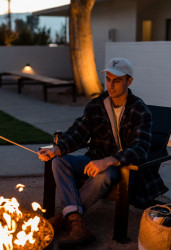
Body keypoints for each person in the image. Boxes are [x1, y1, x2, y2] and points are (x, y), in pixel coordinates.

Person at [38, 58, 156, 248]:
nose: (111, 84)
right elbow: (78, 132)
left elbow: (141, 149)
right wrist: (56, 149)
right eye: (108, 79)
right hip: (94, 159)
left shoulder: (140, 110)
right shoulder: (96, 105)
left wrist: (109, 160)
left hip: (124, 169)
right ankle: (76, 222)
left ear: (129, 81)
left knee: (105, 174)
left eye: (117, 80)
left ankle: (64, 218)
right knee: (59, 162)